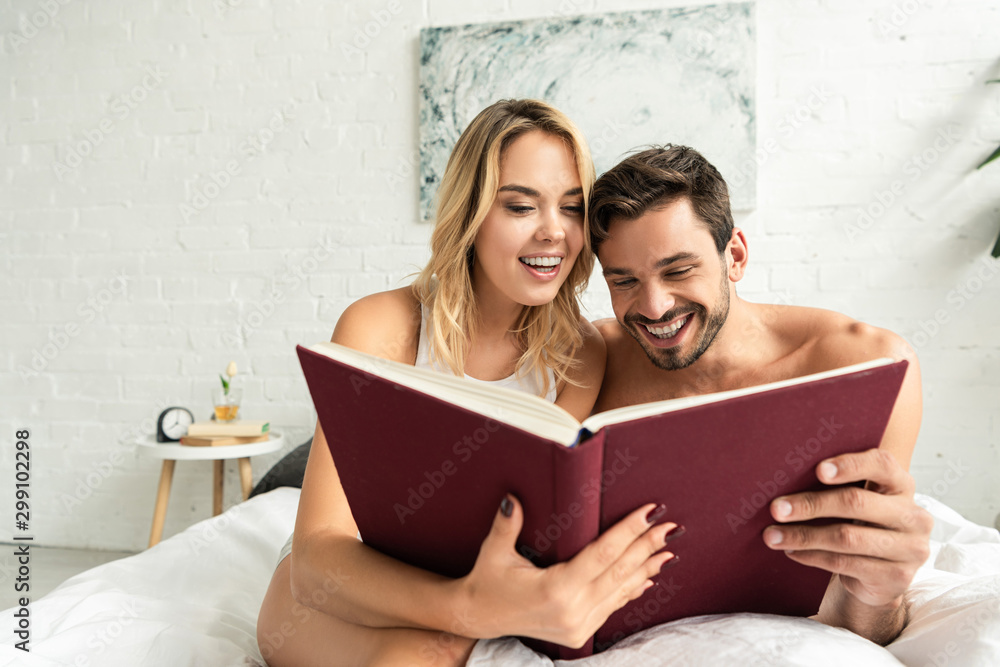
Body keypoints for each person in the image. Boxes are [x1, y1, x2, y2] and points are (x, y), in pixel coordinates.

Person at [256, 100, 681, 667]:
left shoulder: (581, 354)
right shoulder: (382, 327)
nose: (554, 232)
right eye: (521, 206)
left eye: (572, 208)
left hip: (474, 581)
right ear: (472, 213)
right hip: (346, 579)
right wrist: (468, 607)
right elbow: (315, 561)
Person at [589, 144, 933, 646]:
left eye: (678, 270)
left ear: (735, 256)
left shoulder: (865, 367)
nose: (655, 306)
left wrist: (882, 596)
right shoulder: (593, 361)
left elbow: (858, 610)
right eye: (624, 281)